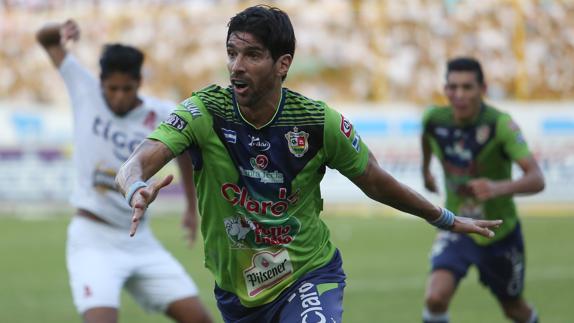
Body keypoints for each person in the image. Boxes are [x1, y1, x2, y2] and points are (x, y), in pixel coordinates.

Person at [115, 6, 501, 323]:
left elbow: (377, 181)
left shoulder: (318, 123)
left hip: (308, 275)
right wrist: (135, 187)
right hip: (238, 296)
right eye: (232, 53)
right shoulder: (204, 111)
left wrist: (444, 218)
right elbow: (137, 161)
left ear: (283, 64)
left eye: (252, 55)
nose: (236, 66)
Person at [36, 19, 213, 323]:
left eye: (126, 89)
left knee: (200, 319)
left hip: (140, 240)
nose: (118, 96)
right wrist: (60, 30)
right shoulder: (84, 88)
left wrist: (189, 205)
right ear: (100, 82)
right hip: (93, 237)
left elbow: (185, 149)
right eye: (112, 89)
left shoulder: (161, 114)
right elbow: (45, 38)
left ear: (139, 83)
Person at [420, 57, 545, 323]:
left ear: (483, 89)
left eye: (467, 87)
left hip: (499, 232)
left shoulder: (500, 124)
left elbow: (537, 178)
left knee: (514, 308)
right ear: (445, 90)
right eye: (453, 87)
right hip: (457, 225)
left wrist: (498, 187)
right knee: (435, 297)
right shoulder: (434, 119)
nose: (459, 95)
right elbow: (426, 141)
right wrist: (425, 170)